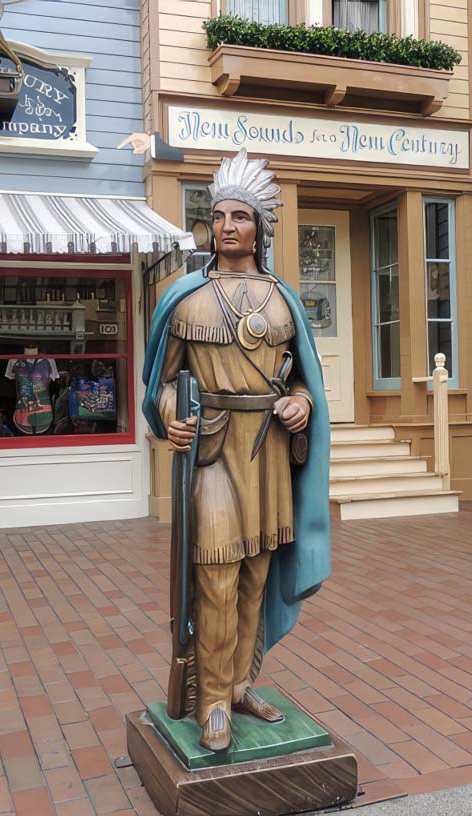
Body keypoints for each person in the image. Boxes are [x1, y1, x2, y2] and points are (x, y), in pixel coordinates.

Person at [142, 150, 330, 752]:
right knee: (217, 576)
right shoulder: (183, 297)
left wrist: (300, 402)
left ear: (259, 227)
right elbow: (162, 381)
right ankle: (213, 701)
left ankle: (243, 681)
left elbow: (302, 377)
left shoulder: (282, 299)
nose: (226, 225)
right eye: (218, 215)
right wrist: (171, 416)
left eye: (240, 216)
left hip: (269, 451)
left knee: (255, 577)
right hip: (214, 451)